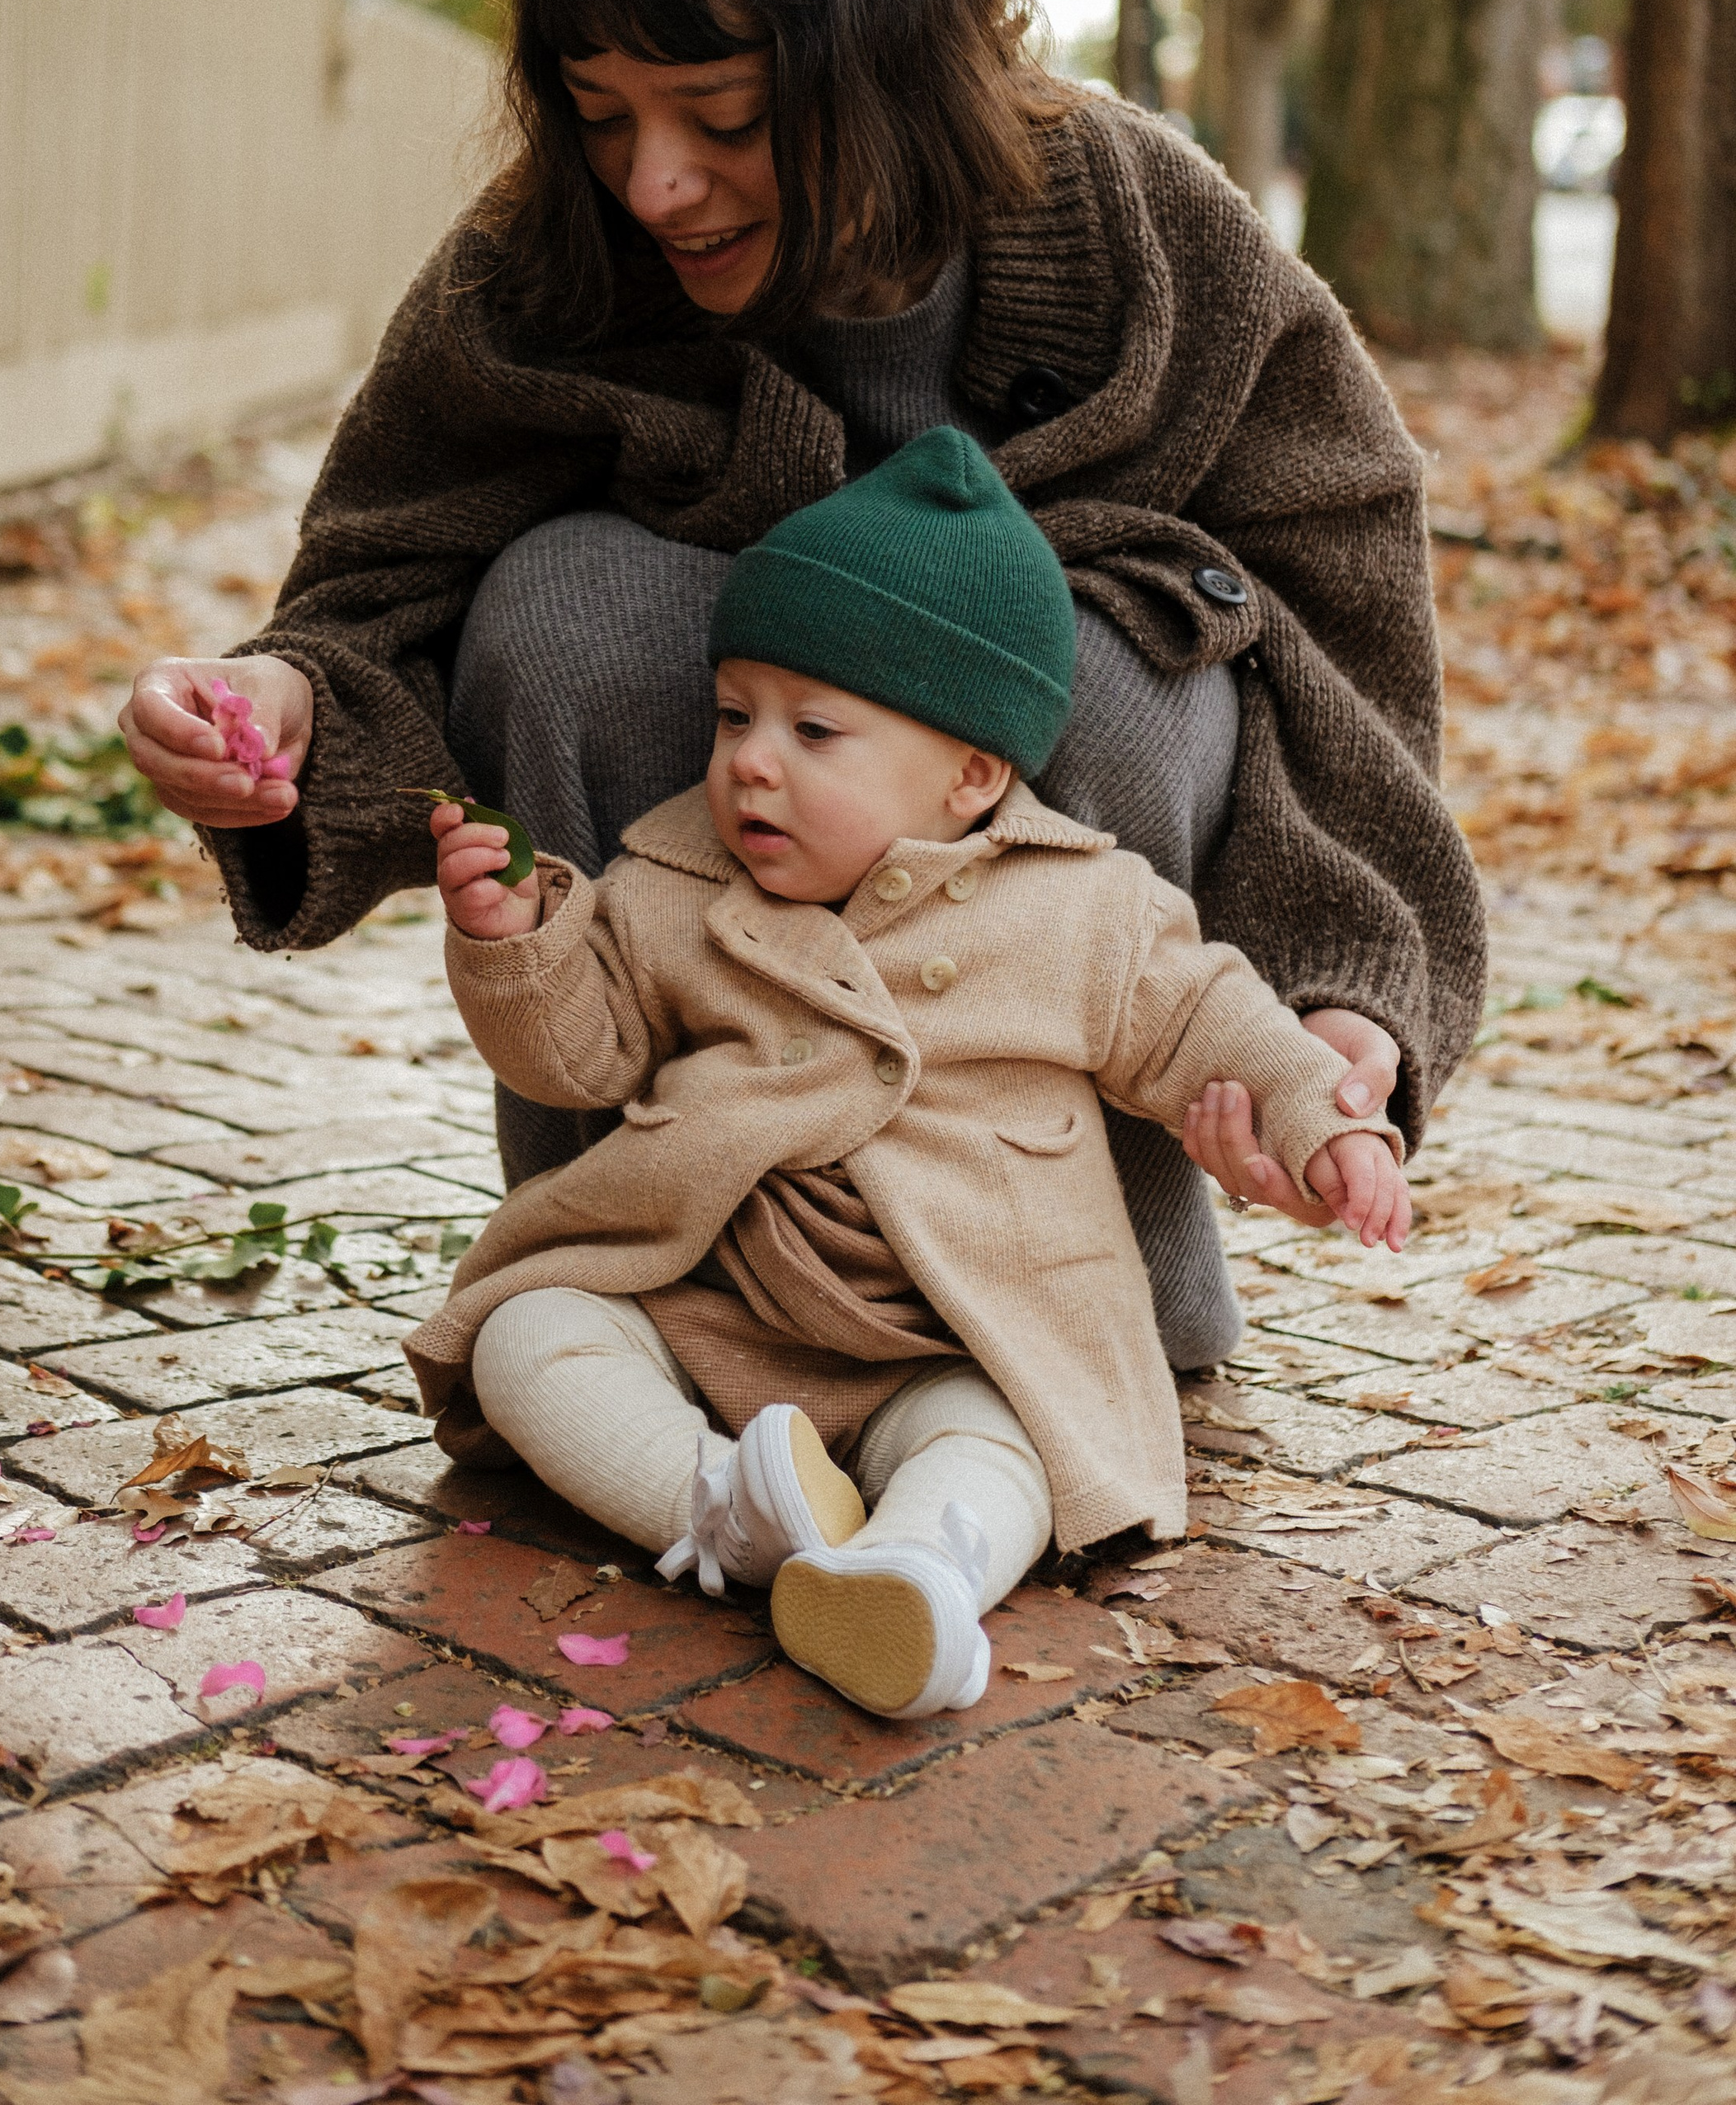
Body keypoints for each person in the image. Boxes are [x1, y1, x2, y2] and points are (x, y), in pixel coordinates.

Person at [118, 0, 1483, 1374]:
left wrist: (1335, 992)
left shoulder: (1143, 226)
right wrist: (280, 704)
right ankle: (621, 1267)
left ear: (897, 60)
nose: (655, 184)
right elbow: (383, 574)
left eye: (717, 114)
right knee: (563, 609)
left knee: (1108, 677)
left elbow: (1334, 612)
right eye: (600, 115)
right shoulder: (546, 264)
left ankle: (1087, 1292)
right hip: (673, 893)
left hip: (1077, 859)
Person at [407, 433, 1408, 1723]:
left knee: (1011, 1450)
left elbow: (1215, 1019)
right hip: (715, 1310)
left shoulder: (1083, 909)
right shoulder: (673, 879)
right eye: (733, 715)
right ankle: (723, 1514)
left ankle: (919, 1567)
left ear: (972, 774)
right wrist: (516, 943)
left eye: (815, 730)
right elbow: (578, 1053)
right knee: (528, 1339)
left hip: (957, 1329)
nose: (750, 763)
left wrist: (1330, 1129)